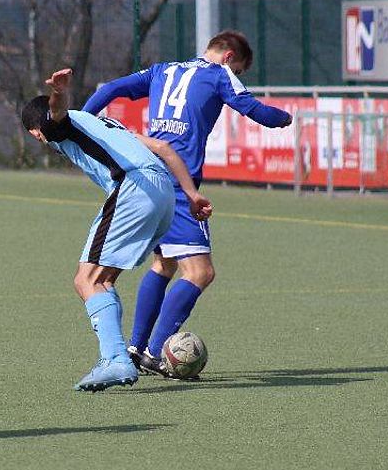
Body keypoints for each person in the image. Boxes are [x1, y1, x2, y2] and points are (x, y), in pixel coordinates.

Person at [82, 30, 292, 376]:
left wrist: (80, 122)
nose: (236, 76)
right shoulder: (218, 74)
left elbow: (109, 90)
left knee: (164, 264)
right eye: (238, 70)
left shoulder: (161, 70)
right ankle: (154, 352)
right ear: (228, 57)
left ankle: (136, 347)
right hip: (178, 185)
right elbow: (254, 110)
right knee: (200, 272)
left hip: (146, 177)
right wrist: (286, 118)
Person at [22, 68, 212, 392]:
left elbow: (55, 114)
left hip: (134, 187)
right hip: (165, 191)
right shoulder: (106, 124)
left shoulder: (59, 126)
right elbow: (164, 148)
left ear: (35, 132)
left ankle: (115, 359)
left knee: (86, 280)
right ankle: (120, 355)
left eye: (37, 136)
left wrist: (58, 93)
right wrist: (192, 195)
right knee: (104, 279)